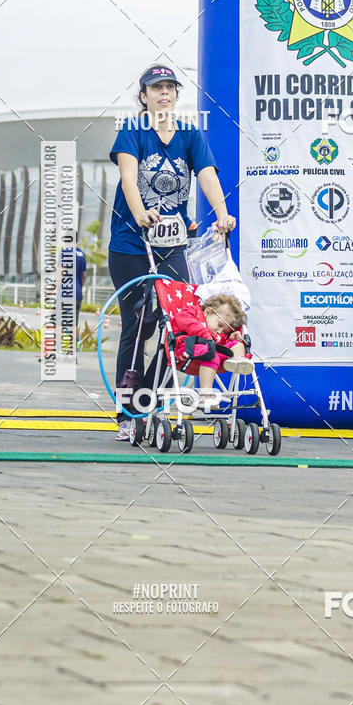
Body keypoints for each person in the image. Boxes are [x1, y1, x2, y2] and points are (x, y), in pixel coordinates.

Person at [109, 63, 236, 440]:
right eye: (156, 88)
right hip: (132, 245)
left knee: (177, 325)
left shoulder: (189, 134)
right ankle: (124, 412)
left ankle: (145, 403)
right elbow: (128, 177)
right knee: (139, 323)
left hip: (172, 245)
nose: (164, 93)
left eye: (170, 87)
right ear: (143, 97)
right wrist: (140, 213)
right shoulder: (133, 132)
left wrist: (223, 214)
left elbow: (208, 174)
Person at [171, 291, 253, 408]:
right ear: (208, 312)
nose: (220, 332)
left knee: (237, 344)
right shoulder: (193, 312)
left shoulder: (218, 334)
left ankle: (237, 361)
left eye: (225, 331)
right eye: (220, 325)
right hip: (189, 349)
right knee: (212, 354)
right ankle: (205, 395)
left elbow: (222, 344)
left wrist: (230, 339)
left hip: (215, 355)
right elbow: (183, 319)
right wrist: (204, 334)